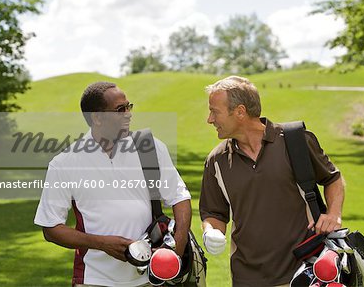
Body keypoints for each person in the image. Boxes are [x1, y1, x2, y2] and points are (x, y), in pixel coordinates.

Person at [34, 81, 192, 287]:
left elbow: (179, 197)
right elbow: (51, 227)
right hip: (94, 278)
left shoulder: (150, 147)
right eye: (120, 110)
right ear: (97, 118)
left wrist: (176, 250)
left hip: (151, 278)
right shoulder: (64, 163)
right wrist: (101, 244)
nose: (128, 114)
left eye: (129, 106)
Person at [199, 76, 345, 287]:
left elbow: (333, 178)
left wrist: (333, 214)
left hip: (305, 270)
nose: (210, 119)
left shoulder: (296, 140)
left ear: (240, 112)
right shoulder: (216, 160)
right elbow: (214, 212)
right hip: (247, 277)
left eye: (215, 111)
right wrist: (211, 231)